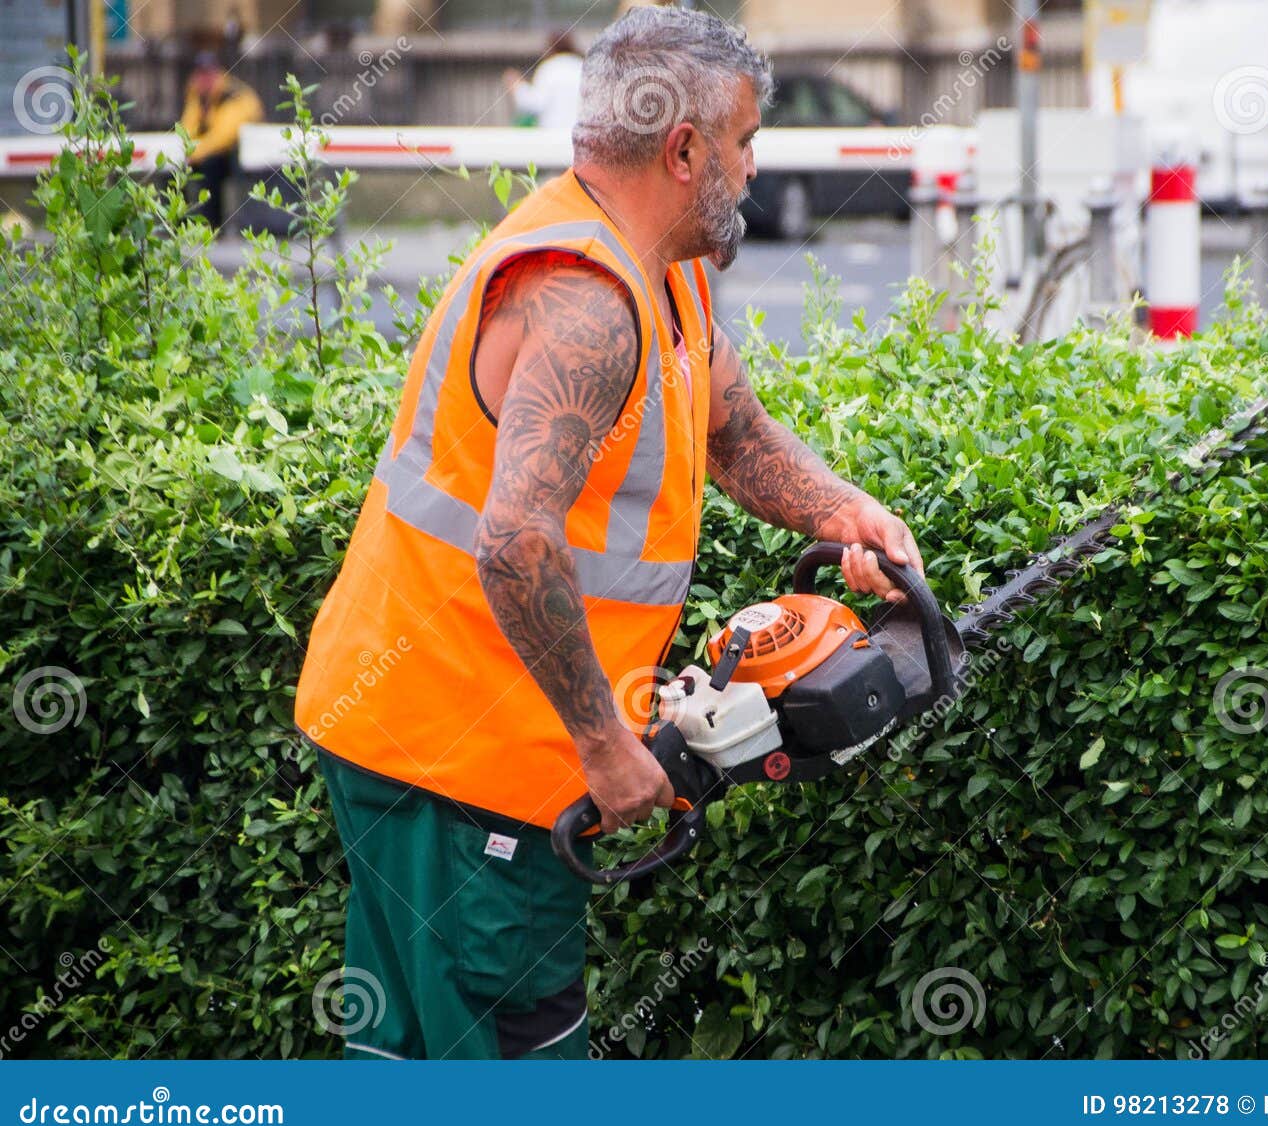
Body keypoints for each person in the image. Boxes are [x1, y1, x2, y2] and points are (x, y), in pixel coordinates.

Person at [294, 6, 922, 1061]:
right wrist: (604, 743)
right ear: (685, 152)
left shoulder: (660, 270)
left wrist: (840, 510)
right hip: (461, 767)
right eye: (745, 142)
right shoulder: (583, 297)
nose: (755, 167)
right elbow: (515, 543)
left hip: (442, 746)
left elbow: (736, 430)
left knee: (409, 1063)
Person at [177, 51, 263, 230]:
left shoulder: (235, 96)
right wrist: (186, 153)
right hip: (209, 152)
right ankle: (179, 222)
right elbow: (187, 129)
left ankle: (212, 224)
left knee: (210, 167)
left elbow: (223, 137)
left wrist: (194, 154)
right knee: (177, 168)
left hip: (237, 156)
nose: (203, 80)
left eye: (207, 74)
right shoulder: (198, 96)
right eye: (200, 74)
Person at [504, 33, 584, 132]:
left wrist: (517, 85)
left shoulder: (549, 68)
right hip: (580, 137)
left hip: (552, 134)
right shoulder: (582, 66)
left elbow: (534, 104)